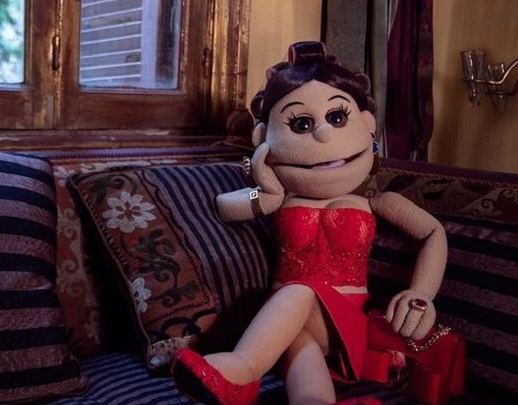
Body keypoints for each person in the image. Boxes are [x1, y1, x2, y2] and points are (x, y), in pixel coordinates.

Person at [171, 42, 449, 405]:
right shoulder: (279, 198)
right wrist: (267, 191)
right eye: (301, 123)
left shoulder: (377, 200)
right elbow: (225, 206)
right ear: (262, 139)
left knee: (299, 290)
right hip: (280, 325)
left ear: (367, 125)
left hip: (345, 320)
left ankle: (242, 369)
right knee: (298, 347)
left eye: (337, 117)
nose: (322, 134)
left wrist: (421, 293)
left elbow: (433, 232)